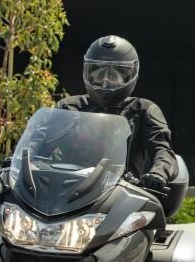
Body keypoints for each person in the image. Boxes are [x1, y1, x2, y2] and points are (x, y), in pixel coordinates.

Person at [57, 35, 178, 190]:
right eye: (99, 74)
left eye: (114, 76)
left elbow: (163, 149)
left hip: (121, 192)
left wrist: (159, 172)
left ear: (131, 76)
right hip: (66, 190)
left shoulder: (143, 110)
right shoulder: (68, 107)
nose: (105, 82)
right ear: (88, 73)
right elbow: (39, 142)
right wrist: (26, 160)